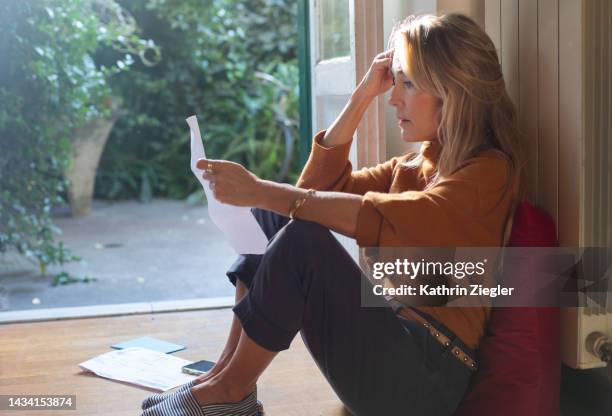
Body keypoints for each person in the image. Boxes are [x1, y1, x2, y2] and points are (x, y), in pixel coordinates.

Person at [140, 13, 525, 416]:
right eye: (395, 83)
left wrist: (262, 188)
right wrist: (360, 97)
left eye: (407, 84)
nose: (393, 98)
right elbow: (316, 193)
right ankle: (225, 378)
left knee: (299, 237)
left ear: (454, 90)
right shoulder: (414, 166)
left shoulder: (487, 172)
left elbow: (394, 216)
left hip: (426, 379)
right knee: (271, 220)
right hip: (392, 345)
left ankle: (231, 389)